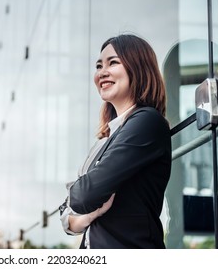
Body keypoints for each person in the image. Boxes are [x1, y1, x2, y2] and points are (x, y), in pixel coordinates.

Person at [59, 34, 172, 249]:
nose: (102, 72)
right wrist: (86, 216)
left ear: (137, 67)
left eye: (113, 63)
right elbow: (69, 213)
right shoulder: (109, 135)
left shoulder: (147, 122)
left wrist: (79, 198)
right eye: (99, 65)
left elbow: (82, 195)